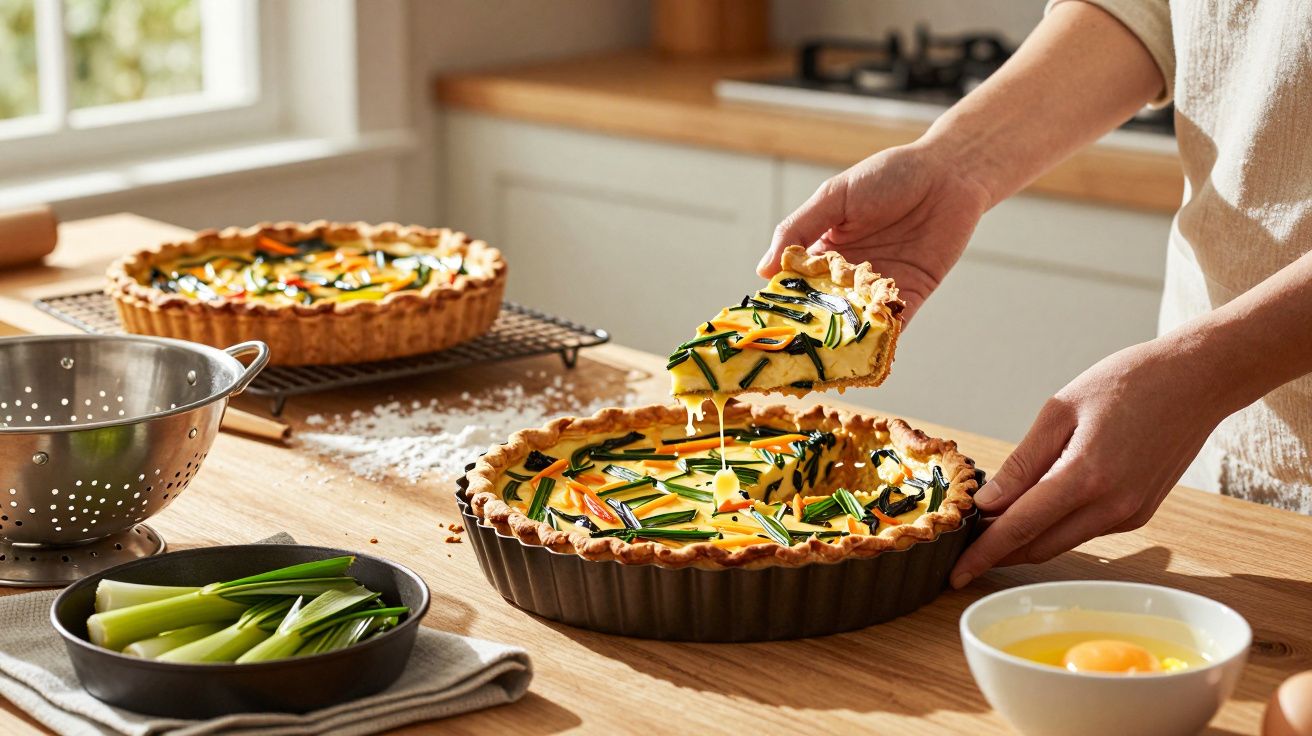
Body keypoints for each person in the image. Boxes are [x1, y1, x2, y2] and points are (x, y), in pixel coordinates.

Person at [757, 0, 1312, 588]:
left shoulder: (1202, 373)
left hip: (1200, 380)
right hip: (1206, 447)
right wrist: (955, 164)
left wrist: (1211, 368)